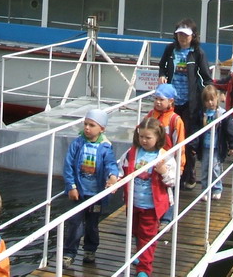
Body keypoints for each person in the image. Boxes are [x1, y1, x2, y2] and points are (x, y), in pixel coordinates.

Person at [118, 117, 177, 277]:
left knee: (147, 236)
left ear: (158, 137)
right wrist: (115, 180)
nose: (144, 140)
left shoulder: (165, 156)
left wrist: (163, 172)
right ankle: (140, 254)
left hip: (151, 206)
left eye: (148, 137)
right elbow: (121, 169)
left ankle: (144, 269)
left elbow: (172, 181)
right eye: (141, 136)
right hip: (133, 203)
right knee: (136, 231)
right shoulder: (132, 153)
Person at [158, 18, 212, 190]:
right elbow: (162, 65)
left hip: (190, 103)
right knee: (168, 138)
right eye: (180, 34)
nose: (182, 38)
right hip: (172, 103)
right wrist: (162, 75)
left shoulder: (197, 53)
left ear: (193, 36)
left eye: (186, 35)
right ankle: (170, 173)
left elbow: (206, 77)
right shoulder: (170, 49)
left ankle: (188, 174)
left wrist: (208, 98)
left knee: (187, 140)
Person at [61, 108, 119, 268]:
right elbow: (68, 165)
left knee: (92, 224)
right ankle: (69, 253)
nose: (87, 128)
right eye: (85, 124)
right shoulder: (78, 143)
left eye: (92, 125)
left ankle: (90, 250)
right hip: (79, 192)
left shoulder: (105, 147)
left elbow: (110, 164)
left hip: (96, 194)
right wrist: (71, 186)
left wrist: (113, 176)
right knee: (75, 223)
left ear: (102, 129)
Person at [144, 83, 185, 228]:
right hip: (151, 157)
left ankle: (167, 218)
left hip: (168, 160)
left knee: (169, 189)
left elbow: (180, 144)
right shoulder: (151, 116)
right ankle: (154, 214)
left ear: (171, 101)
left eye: (161, 99)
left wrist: (180, 165)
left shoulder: (175, 120)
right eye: (156, 98)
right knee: (154, 187)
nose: (157, 102)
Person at [198, 85, 227, 199]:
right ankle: (205, 189)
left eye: (212, 99)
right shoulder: (202, 114)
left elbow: (229, 130)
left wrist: (231, 145)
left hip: (216, 145)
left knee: (215, 168)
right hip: (205, 145)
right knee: (205, 168)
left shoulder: (222, 113)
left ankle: (217, 188)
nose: (210, 103)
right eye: (207, 100)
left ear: (217, 98)